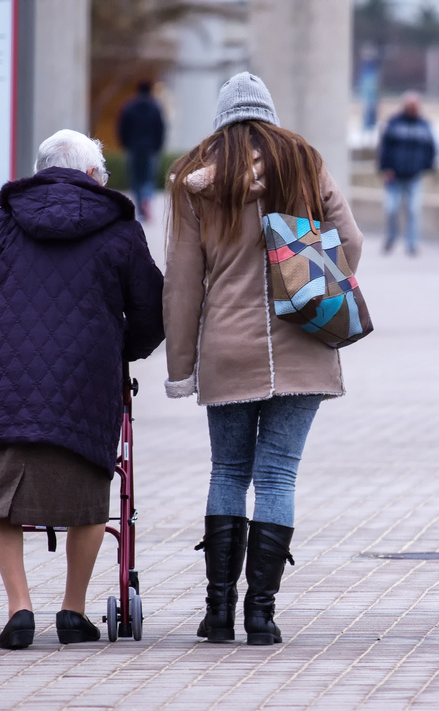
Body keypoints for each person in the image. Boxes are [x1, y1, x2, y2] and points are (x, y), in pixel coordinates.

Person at [0, 129, 165, 649]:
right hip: (86, 386)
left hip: (5, 386)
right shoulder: (120, 229)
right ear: (93, 175)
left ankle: (20, 608)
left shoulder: (3, 223)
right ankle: (73, 610)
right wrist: (123, 349)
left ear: (41, 171)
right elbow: (151, 308)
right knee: (91, 493)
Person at [163, 72, 363, 646]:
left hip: (228, 348)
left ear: (221, 119)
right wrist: (312, 282)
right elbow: (350, 242)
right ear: (269, 114)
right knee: (277, 475)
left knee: (228, 472)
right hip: (303, 344)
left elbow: (182, 282)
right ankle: (261, 615)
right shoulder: (304, 162)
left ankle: (218, 613)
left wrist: (180, 369)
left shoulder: (194, 177)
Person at [377, 90, 436, 256]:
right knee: (391, 209)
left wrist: (427, 166)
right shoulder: (394, 123)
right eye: (410, 106)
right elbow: (384, 147)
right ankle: (391, 238)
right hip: (394, 176)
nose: (413, 109)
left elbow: (431, 148)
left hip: (414, 176)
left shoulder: (424, 125)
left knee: (413, 210)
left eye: (415, 106)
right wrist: (385, 167)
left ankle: (412, 244)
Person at [118, 80, 167, 222]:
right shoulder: (155, 107)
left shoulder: (129, 106)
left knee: (136, 179)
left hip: (134, 148)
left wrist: (125, 144)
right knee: (148, 178)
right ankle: (147, 198)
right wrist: (158, 146)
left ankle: (140, 209)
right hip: (150, 148)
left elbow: (122, 127)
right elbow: (161, 128)